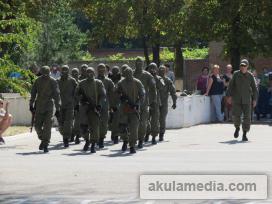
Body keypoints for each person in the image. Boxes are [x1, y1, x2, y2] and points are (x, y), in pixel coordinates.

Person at [30, 66, 61, 153]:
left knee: (47, 125)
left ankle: (46, 143)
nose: (45, 75)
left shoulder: (53, 81)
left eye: (47, 73)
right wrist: (31, 104)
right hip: (39, 105)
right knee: (37, 126)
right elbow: (33, 93)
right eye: (44, 73)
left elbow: (57, 95)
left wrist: (58, 108)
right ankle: (43, 139)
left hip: (49, 105)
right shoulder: (37, 81)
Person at [226, 59, 258, 141]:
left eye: (244, 66)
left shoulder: (250, 76)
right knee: (236, 115)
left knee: (247, 118)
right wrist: (228, 96)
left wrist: (255, 99)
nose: (242, 67)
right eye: (241, 66)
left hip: (247, 100)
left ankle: (244, 134)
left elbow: (255, 89)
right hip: (236, 99)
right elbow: (230, 86)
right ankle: (237, 128)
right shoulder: (236, 74)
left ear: (247, 66)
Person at [76, 67, 106, 153]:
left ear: (94, 73)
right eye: (88, 72)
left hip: (94, 108)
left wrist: (99, 105)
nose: (90, 74)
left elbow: (103, 95)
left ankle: (93, 144)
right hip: (84, 108)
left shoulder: (98, 83)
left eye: (91, 72)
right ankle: (87, 140)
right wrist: (82, 99)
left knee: (95, 127)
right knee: (83, 127)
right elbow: (76, 94)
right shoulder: (81, 83)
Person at [116, 66, 145, 154]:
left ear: (132, 73)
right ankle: (125, 141)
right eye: (127, 74)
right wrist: (121, 97)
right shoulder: (121, 82)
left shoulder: (137, 82)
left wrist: (138, 104)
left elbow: (142, 94)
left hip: (134, 109)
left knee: (134, 128)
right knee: (122, 127)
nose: (128, 75)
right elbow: (115, 92)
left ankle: (132, 145)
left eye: (130, 73)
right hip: (124, 109)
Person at [133, 57, 157, 148]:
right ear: (135, 64)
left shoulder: (147, 75)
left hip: (144, 103)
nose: (139, 64)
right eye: (137, 63)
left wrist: (152, 101)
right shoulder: (131, 74)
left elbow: (153, 89)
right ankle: (132, 139)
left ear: (143, 64)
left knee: (143, 122)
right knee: (133, 123)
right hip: (133, 103)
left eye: (141, 63)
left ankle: (141, 140)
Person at [57, 65, 77, 148]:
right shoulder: (57, 81)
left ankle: (66, 139)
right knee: (61, 123)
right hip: (60, 105)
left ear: (68, 71)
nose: (64, 71)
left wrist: (76, 103)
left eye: (66, 70)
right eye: (63, 70)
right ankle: (69, 133)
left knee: (68, 122)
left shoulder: (72, 81)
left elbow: (77, 92)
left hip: (70, 105)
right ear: (61, 71)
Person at [97, 63, 115, 148]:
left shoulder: (109, 81)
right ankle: (95, 138)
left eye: (103, 69)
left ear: (106, 70)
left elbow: (112, 94)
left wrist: (113, 105)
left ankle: (101, 139)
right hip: (94, 105)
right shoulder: (93, 80)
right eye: (99, 69)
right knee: (95, 123)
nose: (101, 70)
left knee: (104, 123)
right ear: (97, 70)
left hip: (105, 106)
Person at [147, 63, 165, 144]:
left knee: (154, 120)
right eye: (151, 68)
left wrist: (155, 78)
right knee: (145, 119)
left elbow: (162, 86)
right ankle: (146, 134)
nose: (152, 70)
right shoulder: (145, 77)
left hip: (155, 102)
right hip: (146, 101)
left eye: (154, 68)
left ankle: (154, 136)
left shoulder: (159, 78)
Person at [158, 65, 177, 141]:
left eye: (163, 70)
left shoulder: (168, 80)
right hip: (154, 103)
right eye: (160, 70)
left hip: (163, 102)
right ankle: (149, 134)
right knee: (153, 119)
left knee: (162, 119)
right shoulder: (154, 79)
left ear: (165, 71)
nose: (162, 72)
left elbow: (173, 92)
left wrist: (174, 102)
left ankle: (161, 134)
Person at [108, 66, 122, 144]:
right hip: (110, 102)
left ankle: (116, 135)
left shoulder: (121, 80)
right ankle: (114, 133)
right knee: (111, 119)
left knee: (117, 119)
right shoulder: (109, 80)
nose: (115, 73)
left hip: (119, 103)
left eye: (117, 71)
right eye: (114, 71)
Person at [71, 68, 81, 144]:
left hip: (78, 104)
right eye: (73, 73)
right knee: (69, 121)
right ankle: (71, 134)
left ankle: (77, 136)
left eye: (76, 73)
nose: (75, 75)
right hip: (69, 104)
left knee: (78, 121)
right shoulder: (69, 82)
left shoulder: (81, 83)